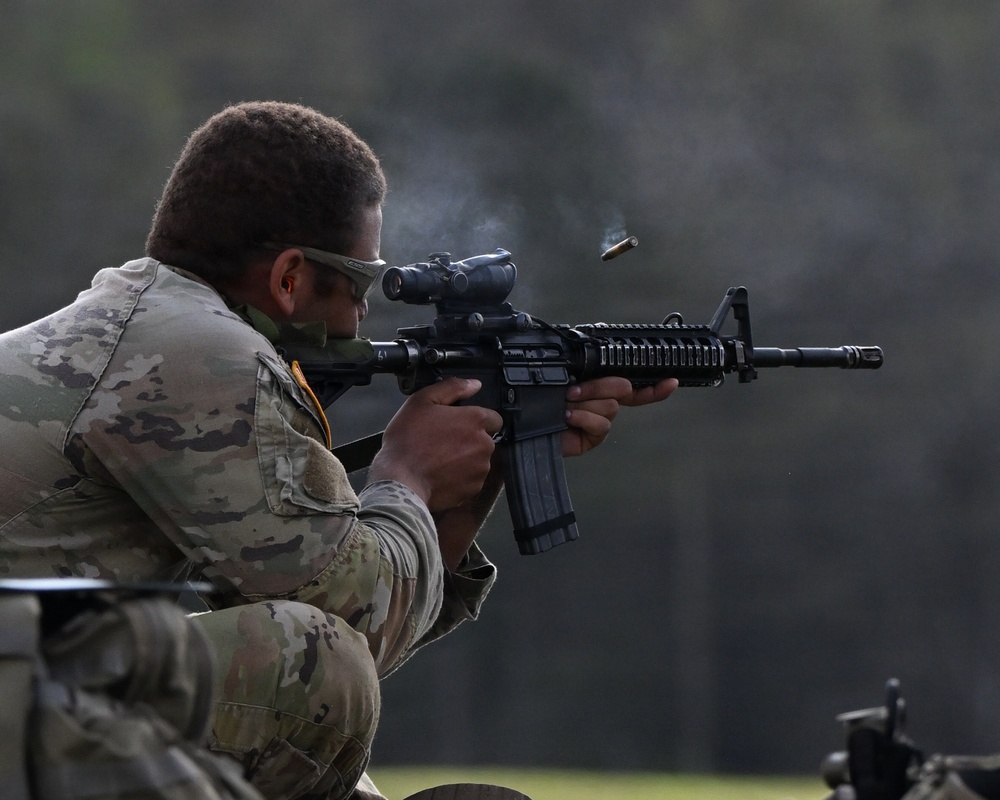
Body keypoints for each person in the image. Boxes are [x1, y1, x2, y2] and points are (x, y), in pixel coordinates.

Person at [0, 101, 676, 800]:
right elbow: (345, 624)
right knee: (309, 663)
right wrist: (407, 475)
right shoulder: (201, 356)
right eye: (358, 284)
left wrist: (481, 458)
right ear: (291, 276)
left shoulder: (150, 324)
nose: (360, 317)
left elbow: (356, 613)